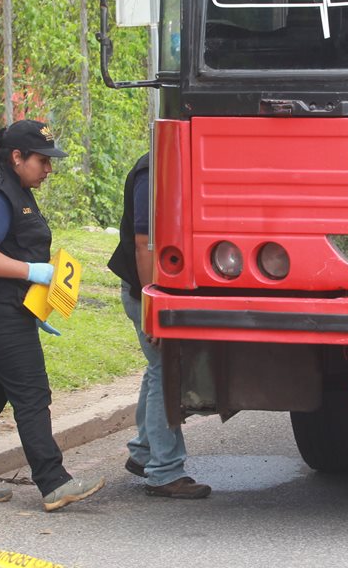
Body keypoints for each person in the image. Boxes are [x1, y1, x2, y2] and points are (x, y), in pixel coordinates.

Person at [0, 120, 105, 511]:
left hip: (1, 308)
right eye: (42, 161)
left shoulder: (14, 188)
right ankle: (53, 482)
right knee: (32, 394)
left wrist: (36, 298)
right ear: (16, 157)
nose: (48, 169)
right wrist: (32, 272)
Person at [108, 152, 211, 499]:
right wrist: (155, 307)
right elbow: (143, 244)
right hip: (146, 291)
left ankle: (143, 451)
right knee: (166, 371)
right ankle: (164, 471)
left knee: (157, 369)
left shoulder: (171, 163)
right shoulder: (152, 171)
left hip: (154, 289)